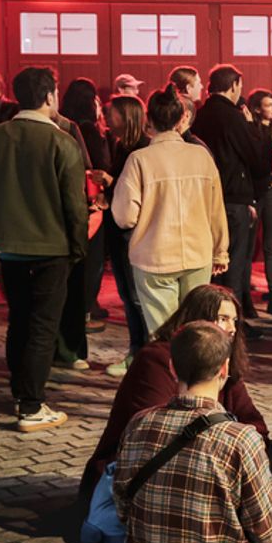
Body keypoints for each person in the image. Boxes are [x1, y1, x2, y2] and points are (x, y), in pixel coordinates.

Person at [112, 321, 272, 543]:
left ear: (172, 367)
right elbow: (269, 532)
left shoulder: (138, 424)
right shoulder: (240, 439)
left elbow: (122, 508)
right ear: (224, 369)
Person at [81, 284, 272, 497]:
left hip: (208, 454)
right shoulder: (158, 357)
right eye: (223, 319)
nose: (232, 328)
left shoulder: (224, 360)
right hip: (152, 466)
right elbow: (154, 433)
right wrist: (220, 446)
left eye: (234, 320)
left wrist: (243, 448)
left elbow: (254, 422)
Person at [0, 66, 88, 431]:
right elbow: (75, 206)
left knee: (18, 320)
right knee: (43, 326)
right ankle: (32, 405)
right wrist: (78, 248)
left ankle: (21, 393)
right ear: (50, 97)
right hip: (52, 246)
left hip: (8, 246)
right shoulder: (61, 142)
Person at [113, 86, 228, 339]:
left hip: (154, 255)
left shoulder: (140, 159)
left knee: (163, 334)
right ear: (180, 119)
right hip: (197, 253)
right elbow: (216, 210)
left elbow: (125, 216)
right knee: (196, 330)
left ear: (149, 120)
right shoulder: (201, 156)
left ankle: (167, 365)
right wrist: (220, 251)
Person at [190, 65, 270, 337]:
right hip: (233, 199)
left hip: (204, 199)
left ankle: (210, 317)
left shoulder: (199, 115)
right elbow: (257, 159)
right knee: (234, 265)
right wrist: (252, 128)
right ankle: (231, 323)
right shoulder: (233, 117)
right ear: (234, 85)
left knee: (212, 265)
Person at [102, 95, 152, 377]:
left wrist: (110, 182)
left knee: (136, 295)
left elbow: (136, 192)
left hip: (132, 231)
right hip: (118, 228)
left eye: (112, 114)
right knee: (127, 294)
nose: (107, 119)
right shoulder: (122, 146)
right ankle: (137, 350)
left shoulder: (142, 149)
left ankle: (143, 353)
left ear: (127, 117)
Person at [59, 78, 113, 337]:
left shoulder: (63, 126)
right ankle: (86, 309)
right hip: (91, 200)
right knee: (92, 259)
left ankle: (81, 307)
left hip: (69, 198)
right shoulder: (88, 130)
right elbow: (98, 165)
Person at [247, 89, 272, 316]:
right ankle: (245, 297)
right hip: (253, 192)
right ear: (257, 108)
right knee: (249, 246)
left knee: (271, 246)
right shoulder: (250, 131)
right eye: (268, 105)